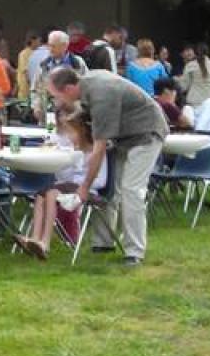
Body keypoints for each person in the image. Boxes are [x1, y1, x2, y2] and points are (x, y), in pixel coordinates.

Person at [47, 66, 167, 266]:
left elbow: (99, 149)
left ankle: (134, 251)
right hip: (124, 137)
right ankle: (103, 242)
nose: (56, 102)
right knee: (110, 188)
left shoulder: (102, 94)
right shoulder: (86, 87)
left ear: (68, 89)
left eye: (56, 96)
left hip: (147, 132)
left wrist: (84, 188)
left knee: (131, 189)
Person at [17, 107, 107, 260]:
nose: (69, 136)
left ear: (83, 132)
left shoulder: (96, 152)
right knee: (40, 195)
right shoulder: (72, 151)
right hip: (67, 187)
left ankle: (45, 243)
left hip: (87, 190)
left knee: (51, 194)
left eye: (71, 132)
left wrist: (78, 183)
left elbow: (101, 181)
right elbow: (61, 176)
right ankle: (34, 238)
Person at [31, 30, 89, 124]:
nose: (50, 49)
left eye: (53, 46)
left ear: (65, 46)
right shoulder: (44, 65)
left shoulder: (78, 63)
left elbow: (86, 87)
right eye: (49, 45)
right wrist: (36, 106)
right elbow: (35, 90)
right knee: (50, 137)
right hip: (48, 116)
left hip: (73, 115)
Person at [177, 42, 210, 108]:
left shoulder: (190, 66)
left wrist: (176, 80)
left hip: (195, 103)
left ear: (195, 53)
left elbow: (184, 86)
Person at [16, 31, 41, 101]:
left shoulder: (38, 53)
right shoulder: (24, 54)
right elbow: (26, 72)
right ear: (32, 41)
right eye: (38, 41)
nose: (40, 43)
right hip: (27, 91)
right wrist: (33, 87)